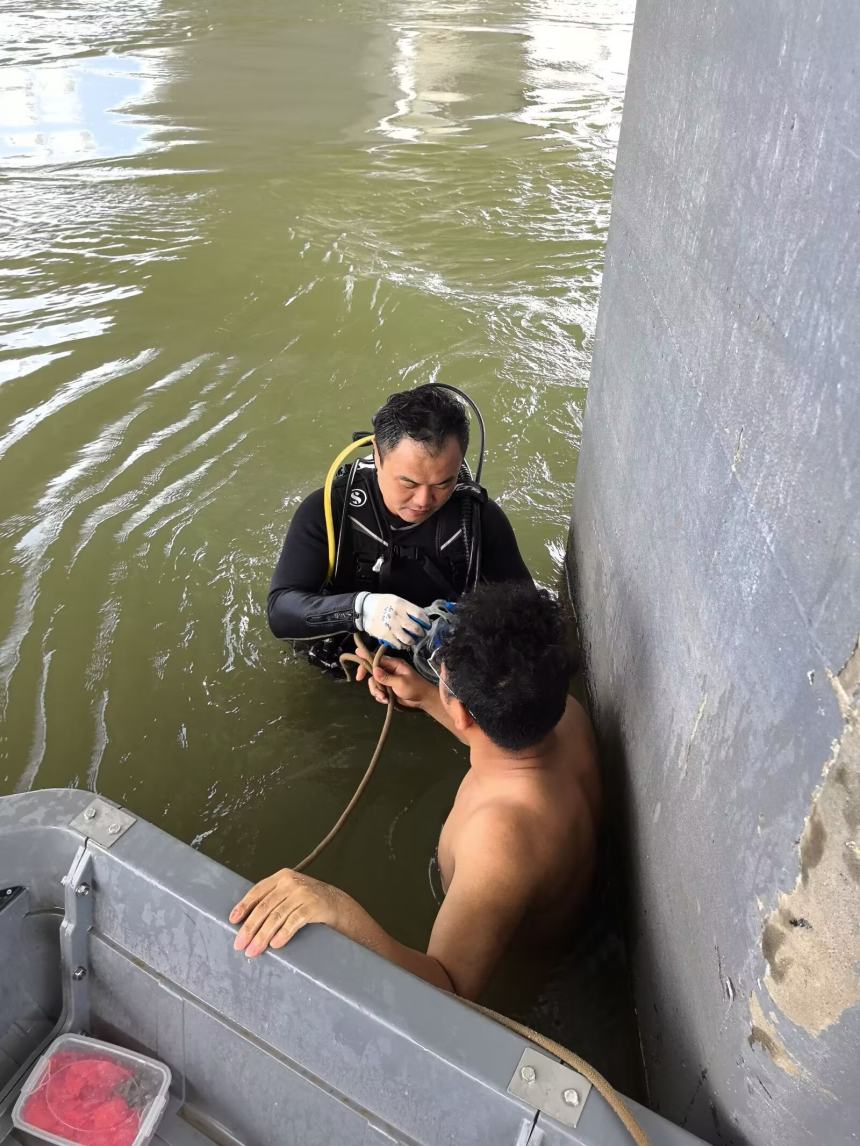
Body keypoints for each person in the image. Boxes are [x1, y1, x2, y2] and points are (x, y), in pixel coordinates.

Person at [230, 583, 601, 1001]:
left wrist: (340, 911)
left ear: (461, 711)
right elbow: (499, 741)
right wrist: (425, 696)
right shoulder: (566, 717)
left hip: (516, 984)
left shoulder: (499, 841)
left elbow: (448, 990)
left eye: (441, 681)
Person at [267, 384, 532, 671]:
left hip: (440, 672)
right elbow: (280, 611)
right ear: (378, 458)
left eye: (443, 483)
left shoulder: (478, 520)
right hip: (348, 666)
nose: (424, 500)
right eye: (408, 482)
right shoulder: (330, 510)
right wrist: (361, 610)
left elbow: (530, 618)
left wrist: (472, 628)